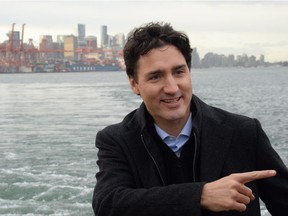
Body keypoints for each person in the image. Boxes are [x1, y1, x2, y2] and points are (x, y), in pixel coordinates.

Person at [92, 22, 288, 216]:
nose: (172, 87)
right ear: (134, 84)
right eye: (155, 77)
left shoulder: (244, 132)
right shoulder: (117, 140)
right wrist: (200, 196)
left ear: (189, 72)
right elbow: (108, 204)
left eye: (179, 72)